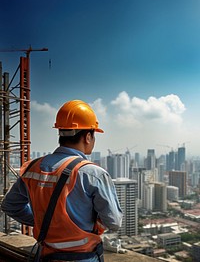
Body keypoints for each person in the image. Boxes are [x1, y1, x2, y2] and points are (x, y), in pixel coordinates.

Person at [1, 99, 123, 262]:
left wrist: (45, 222)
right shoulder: (93, 174)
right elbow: (114, 222)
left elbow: (10, 205)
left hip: (45, 256)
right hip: (83, 258)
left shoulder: (33, 167)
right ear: (88, 136)